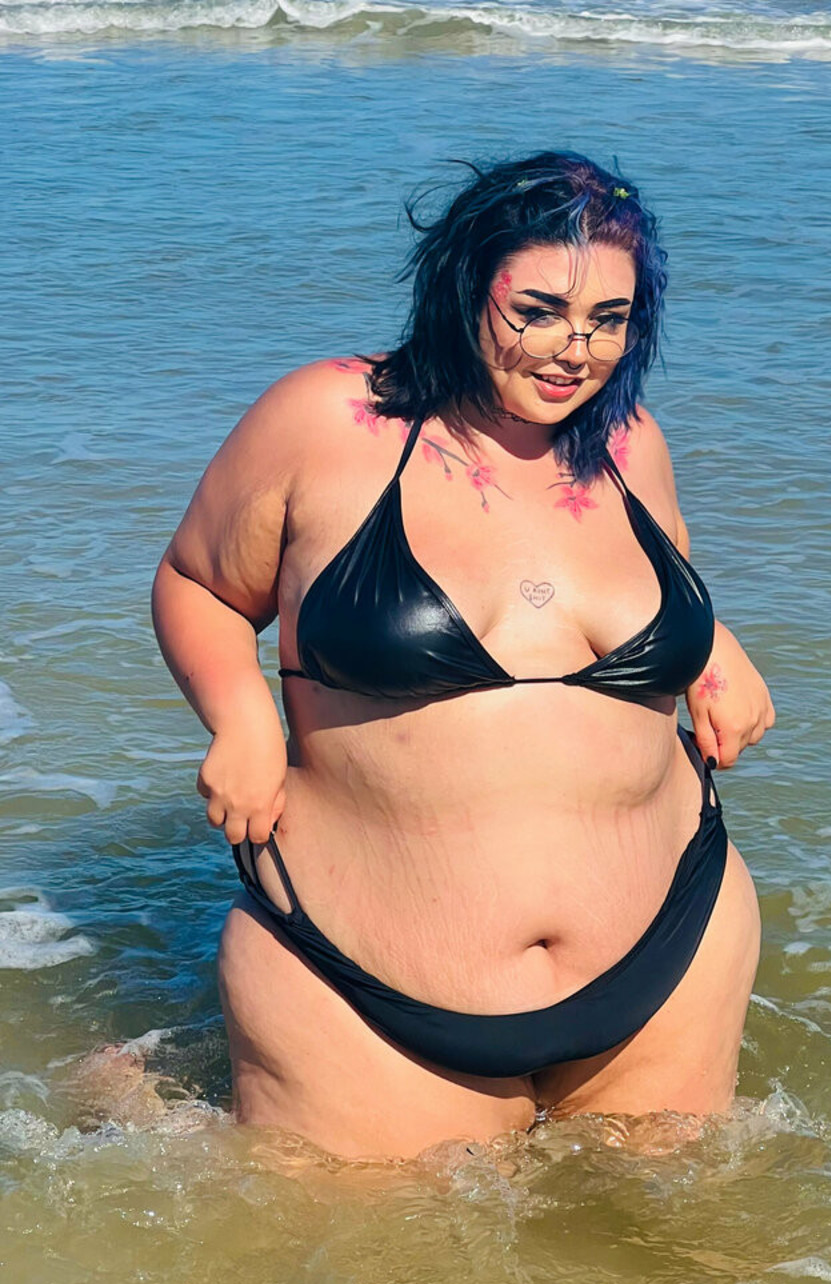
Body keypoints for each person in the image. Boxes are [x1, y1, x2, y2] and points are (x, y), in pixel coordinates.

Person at [151, 151, 774, 1163]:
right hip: (363, 986)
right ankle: (133, 1090)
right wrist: (241, 717)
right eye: (539, 310)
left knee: (670, 1258)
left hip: (672, 945)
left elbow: (646, 578)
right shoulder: (328, 421)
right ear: (462, 284)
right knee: (369, 1261)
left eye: (609, 319)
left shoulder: (629, 441)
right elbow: (199, 581)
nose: (576, 351)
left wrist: (709, 654)